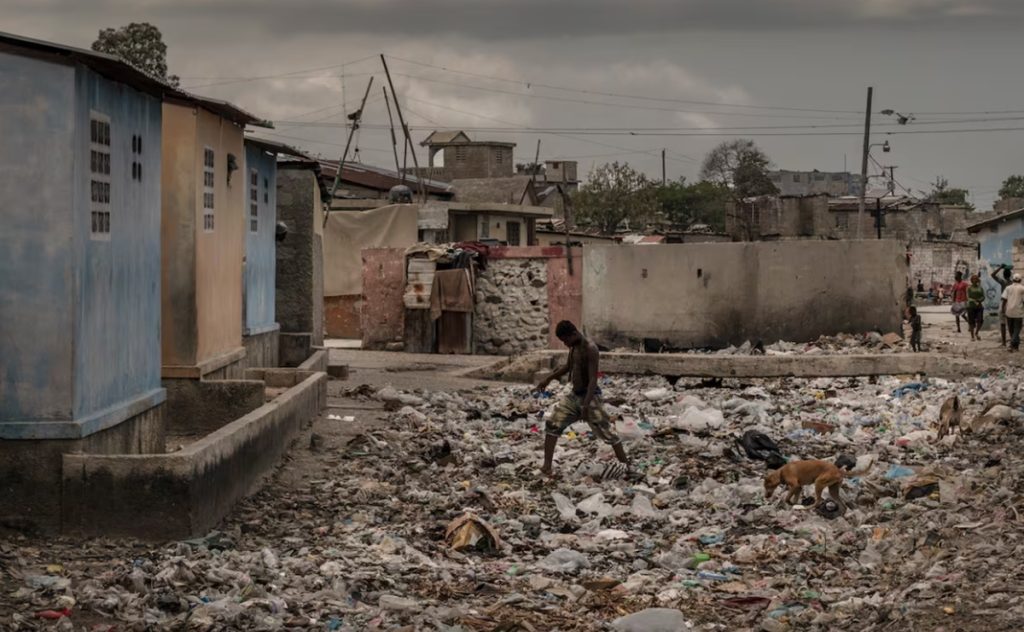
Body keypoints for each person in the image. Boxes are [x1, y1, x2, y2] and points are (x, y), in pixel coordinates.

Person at [534, 321, 629, 476]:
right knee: (553, 424)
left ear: (574, 334)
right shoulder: (574, 348)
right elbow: (567, 367)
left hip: (591, 397)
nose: (565, 344)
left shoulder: (590, 349)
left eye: (565, 340)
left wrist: (585, 406)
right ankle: (547, 466)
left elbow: (593, 379)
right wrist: (548, 379)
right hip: (574, 395)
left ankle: (627, 468)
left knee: (607, 433)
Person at [991, 264, 1013, 346]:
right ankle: (1012, 341)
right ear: (1010, 274)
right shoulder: (1012, 283)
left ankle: (1004, 342)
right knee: (1011, 324)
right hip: (1011, 303)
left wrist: (1000, 267)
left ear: (1003, 275)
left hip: (1003, 303)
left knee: (1003, 324)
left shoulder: (1003, 282)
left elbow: (993, 275)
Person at [1002, 273, 1024, 351]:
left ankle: (1015, 346)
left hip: (1009, 311)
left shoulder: (1008, 288)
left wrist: (1002, 309)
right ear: (1020, 280)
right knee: (1017, 329)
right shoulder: (1022, 288)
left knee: (1011, 330)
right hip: (1018, 312)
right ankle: (1012, 344)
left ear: (1013, 279)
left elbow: (1004, 299)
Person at [966, 274, 985, 341]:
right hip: (971, 306)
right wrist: (974, 301)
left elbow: (983, 296)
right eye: (973, 279)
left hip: (979, 306)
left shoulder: (980, 288)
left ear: (977, 280)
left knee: (980, 320)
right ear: (971, 280)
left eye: (976, 279)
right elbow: (968, 297)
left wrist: (979, 300)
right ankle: (972, 336)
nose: (974, 280)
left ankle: (976, 332)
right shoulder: (969, 288)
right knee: (971, 322)